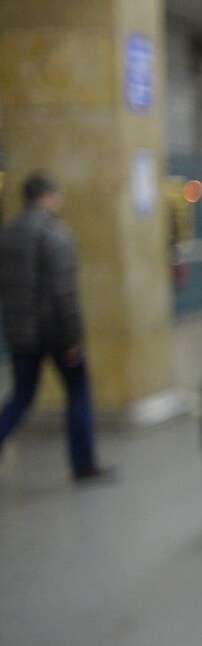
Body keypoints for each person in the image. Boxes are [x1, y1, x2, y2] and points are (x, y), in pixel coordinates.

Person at [0, 172, 107, 480]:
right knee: (78, 392)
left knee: (21, 395)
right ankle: (83, 464)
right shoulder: (55, 234)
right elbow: (64, 293)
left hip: (20, 332)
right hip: (56, 332)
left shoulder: (7, 234)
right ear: (47, 196)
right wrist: (74, 338)